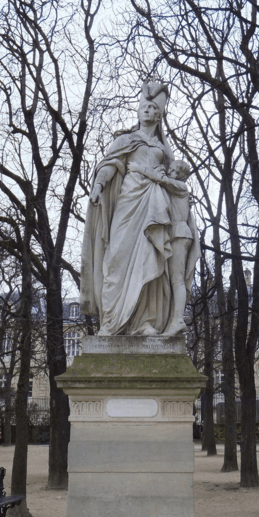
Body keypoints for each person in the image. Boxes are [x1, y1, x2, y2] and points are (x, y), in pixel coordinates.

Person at [80, 82, 200, 336]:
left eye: (152, 107)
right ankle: (111, 322)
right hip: (127, 204)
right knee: (116, 258)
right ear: (137, 111)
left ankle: (146, 321)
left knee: (150, 258)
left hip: (154, 208)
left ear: (159, 115)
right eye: (143, 106)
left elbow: (174, 180)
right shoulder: (125, 140)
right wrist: (98, 185)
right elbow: (110, 165)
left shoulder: (162, 149)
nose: (147, 110)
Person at [127, 159, 196, 335]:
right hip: (175, 235)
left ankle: (178, 320)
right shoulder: (175, 190)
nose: (169, 172)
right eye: (170, 169)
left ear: (181, 175)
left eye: (173, 171)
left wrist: (138, 167)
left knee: (177, 280)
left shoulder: (181, 187)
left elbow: (162, 180)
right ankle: (171, 320)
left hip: (179, 234)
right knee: (172, 280)